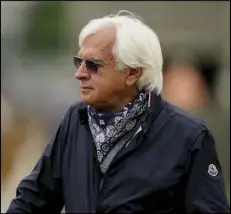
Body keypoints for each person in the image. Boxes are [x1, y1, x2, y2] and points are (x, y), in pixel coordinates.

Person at [7, 10, 230, 213]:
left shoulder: (189, 136)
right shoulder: (75, 120)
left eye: (93, 64)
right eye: (79, 62)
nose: (80, 74)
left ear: (132, 72)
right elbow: (33, 200)